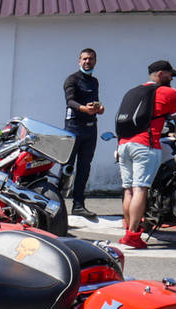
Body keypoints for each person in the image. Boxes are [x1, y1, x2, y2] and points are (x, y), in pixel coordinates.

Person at [117, 60, 176, 249]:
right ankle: (133, 235)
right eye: (171, 74)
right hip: (145, 145)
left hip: (124, 144)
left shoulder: (132, 91)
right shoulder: (169, 93)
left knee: (128, 190)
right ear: (161, 73)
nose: (172, 78)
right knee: (140, 189)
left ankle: (129, 231)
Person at [63, 48, 104, 219]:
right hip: (73, 127)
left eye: (91, 59)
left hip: (90, 128)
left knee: (84, 168)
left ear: (95, 61)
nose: (88, 62)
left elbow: (95, 103)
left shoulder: (94, 81)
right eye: (85, 59)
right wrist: (83, 109)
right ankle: (57, 204)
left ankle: (78, 205)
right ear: (79, 61)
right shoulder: (71, 79)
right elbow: (70, 101)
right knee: (66, 167)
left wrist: (99, 108)